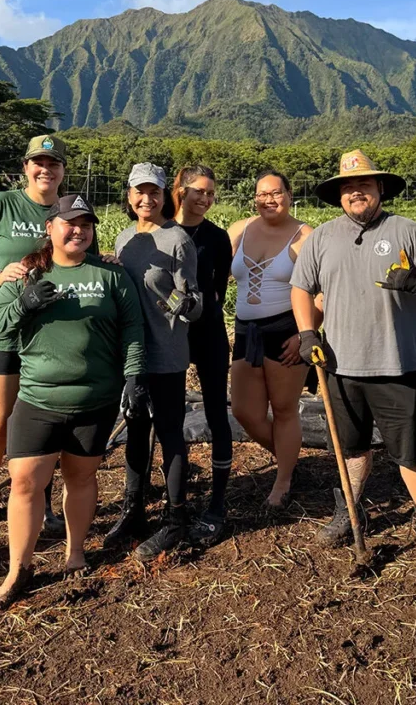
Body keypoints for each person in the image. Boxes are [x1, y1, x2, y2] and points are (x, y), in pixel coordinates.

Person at [291, 150, 416, 566]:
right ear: (339, 195)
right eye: (348, 187)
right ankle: (349, 510)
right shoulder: (322, 237)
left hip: (396, 364)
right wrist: (308, 333)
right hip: (340, 365)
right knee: (351, 447)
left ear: (380, 188)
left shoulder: (408, 231)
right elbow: (301, 288)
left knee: (411, 450)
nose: (355, 192)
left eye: (363, 184)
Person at [0, 194, 145, 609]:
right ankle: (19, 568)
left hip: (95, 399)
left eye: (86, 225)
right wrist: (23, 303)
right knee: (24, 482)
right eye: (70, 223)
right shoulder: (27, 273)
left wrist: (134, 376)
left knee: (81, 478)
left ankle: (75, 553)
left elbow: (132, 328)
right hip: (38, 398)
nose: (78, 230)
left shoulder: (111, 275)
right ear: (50, 228)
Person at [0, 134, 84, 582]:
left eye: (54, 163)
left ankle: (41, 507)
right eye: (38, 163)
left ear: (63, 170)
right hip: (5, 331)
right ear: (26, 168)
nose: (46, 170)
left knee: (42, 422)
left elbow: (81, 260)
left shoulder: (67, 210)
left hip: (50, 336)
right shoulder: (1, 205)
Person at [104, 162, 202, 560]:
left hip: (166, 353)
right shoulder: (124, 239)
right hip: (132, 353)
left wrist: (174, 297)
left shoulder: (178, 240)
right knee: (135, 428)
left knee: (169, 431)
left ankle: (176, 517)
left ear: (165, 196)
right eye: (139, 191)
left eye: (154, 192)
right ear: (129, 196)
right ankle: (134, 511)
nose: (146, 199)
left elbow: (195, 305)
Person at [228, 170, 315, 509]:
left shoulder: (306, 236)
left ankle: (284, 480)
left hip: (286, 331)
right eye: (262, 194)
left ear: (290, 195)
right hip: (245, 330)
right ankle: (289, 460)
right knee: (244, 411)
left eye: (276, 193)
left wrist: (304, 333)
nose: (269, 199)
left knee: (283, 409)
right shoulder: (239, 229)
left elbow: (323, 293)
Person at [172, 165, 234, 547]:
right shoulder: (163, 230)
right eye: (198, 191)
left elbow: (219, 291)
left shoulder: (217, 237)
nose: (205, 199)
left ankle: (218, 504)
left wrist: (201, 309)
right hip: (170, 336)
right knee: (170, 415)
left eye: (211, 193)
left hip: (208, 332)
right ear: (181, 190)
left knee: (216, 413)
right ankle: (173, 500)